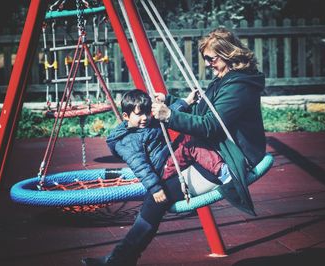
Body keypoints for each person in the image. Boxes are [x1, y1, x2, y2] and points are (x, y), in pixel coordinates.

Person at [82, 26, 267, 265]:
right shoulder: (225, 79)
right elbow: (203, 113)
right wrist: (170, 102)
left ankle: (120, 260)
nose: (208, 63)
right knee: (158, 185)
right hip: (214, 149)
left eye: (211, 59)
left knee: (157, 196)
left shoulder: (238, 86)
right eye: (206, 59)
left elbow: (211, 125)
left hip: (232, 156)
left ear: (227, 54)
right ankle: (120, 259)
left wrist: (169, 115)